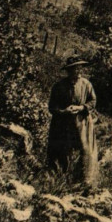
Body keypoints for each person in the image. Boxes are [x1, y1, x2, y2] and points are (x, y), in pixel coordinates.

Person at [47, 55, 99, 187]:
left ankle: (84, 182)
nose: (79, 71)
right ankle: (61, 181)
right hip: (63, 124)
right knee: (63, 150)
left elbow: (93, 101)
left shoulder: (86, 84)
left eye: (80, 68)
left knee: (85, 150)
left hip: (82, 123)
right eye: (76, 68)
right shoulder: (59, 86)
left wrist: (81, 107)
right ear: (69, 70)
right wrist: (64, 111)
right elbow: (52, 107)